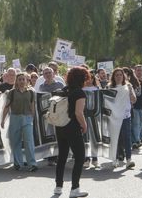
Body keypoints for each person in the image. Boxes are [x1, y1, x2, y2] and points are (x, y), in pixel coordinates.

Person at [53, 66, 88, 198]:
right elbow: (78, 113)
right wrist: (84, 125)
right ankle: (75, 188)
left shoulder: (63, 90)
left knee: (62, 157)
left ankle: (58, 187)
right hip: (72, 127)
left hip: (60, 126)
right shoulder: (79, 93)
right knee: (80, 157)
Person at [1, 72, 37, 172]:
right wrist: (3, 120)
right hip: (15, 118)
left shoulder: (30, 92)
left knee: (29, 141)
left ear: (26, 80)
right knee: (15, 141)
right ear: (16, 81)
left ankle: (32, 164)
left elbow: (32, 106)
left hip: (27, 118)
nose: (21, 81)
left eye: (23, 79)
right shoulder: (12, 92)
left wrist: (32, 118)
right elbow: (7, 107)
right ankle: (18, 163)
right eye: (19, 79)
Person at [109, 68, 136, 168]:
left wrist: (129, 90)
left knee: (127, 137)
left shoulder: (128, 86)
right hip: (114, 116)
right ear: (113, 77)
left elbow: (133, 100)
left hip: (125, 116)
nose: (119, 76)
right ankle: (115, 159)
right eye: (116, 75)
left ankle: (129, 159)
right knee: (115, 137)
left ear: (123, 76)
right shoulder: (109, 87)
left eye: (120, 74)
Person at [39, 67, 64, 166]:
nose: (48, 74)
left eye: (49, 72)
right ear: (43, 75)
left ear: (53, 74)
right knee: (50, 135)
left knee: (59, 136)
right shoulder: (41, 87)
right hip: (48, 114)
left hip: (59, 113)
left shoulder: (60, 84)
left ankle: (59, 156)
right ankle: (51, 157)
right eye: (45, 73)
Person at [132, 64, 142, 147]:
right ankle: (137, 140)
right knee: (136, 123)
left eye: (141, 70)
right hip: (134, 106)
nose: (139, 72)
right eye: (138, 70)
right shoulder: (132, 81)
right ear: (134, 71)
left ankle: (141, 137)